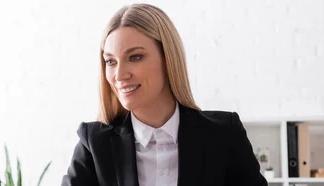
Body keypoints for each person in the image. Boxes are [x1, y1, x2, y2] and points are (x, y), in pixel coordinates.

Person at [62, 3, 267, 186]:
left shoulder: (224, 134)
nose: (120, 75)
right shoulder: (95, 144)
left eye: (135, 57)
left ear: (168, 59)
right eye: (111, 61)